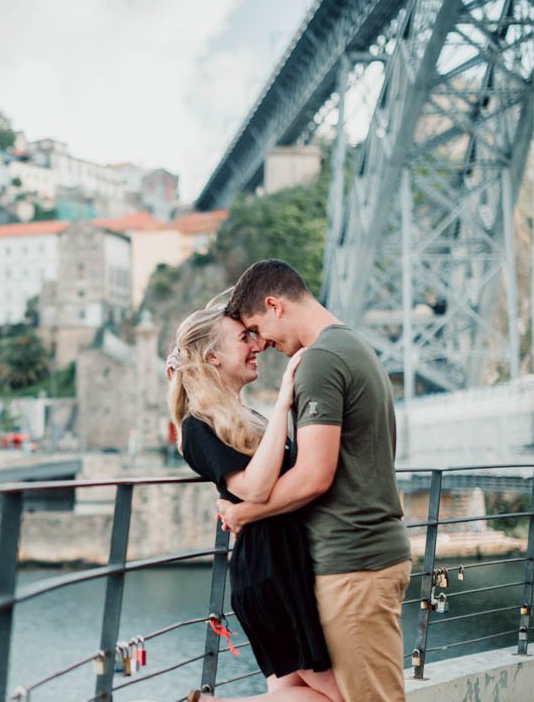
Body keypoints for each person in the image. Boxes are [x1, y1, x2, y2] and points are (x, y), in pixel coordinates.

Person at [217, 259, 411, 702]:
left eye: (255, 328)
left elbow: (314, 476)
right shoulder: (351, 346)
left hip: (354, 562)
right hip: (368, 555)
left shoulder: (320, 362)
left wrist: (245, 511)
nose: (261, 344)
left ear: (274, 305)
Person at [168, 302, 342, 702]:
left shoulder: (244, 417)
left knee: (294, 690)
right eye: (243, 338)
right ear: (212, 356)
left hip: (283, 565)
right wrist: (284, 401)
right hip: (271, 573)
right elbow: (256, 487)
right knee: (342, 696)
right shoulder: (197, 426)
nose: (256, 345)